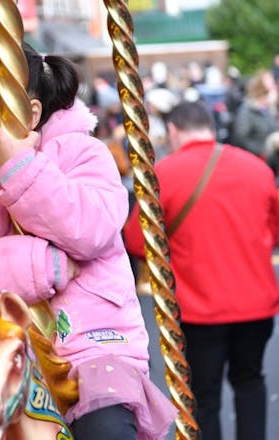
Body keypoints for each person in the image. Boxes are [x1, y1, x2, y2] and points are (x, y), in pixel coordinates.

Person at [0, 40, 176, 440]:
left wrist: (20, 168)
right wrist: (40, 264)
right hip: (1, 357)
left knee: (106, 430)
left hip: (93, 347)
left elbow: (89, 229)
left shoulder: (82, 155)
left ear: (27, 113)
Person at [123, 100, 279, 440]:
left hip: (199, 308)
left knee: (204, 397)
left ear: (174, 131)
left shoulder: (163, 174)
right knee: (250, 381)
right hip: (256, 304)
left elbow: (136, 241)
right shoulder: (257, 168)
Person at [231, 70, 278, 157]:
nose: (274, 84)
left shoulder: (269, 108)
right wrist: (261, 152)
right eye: (271, 82)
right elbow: (242, 138)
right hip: (258, 157)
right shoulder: (248, 109)